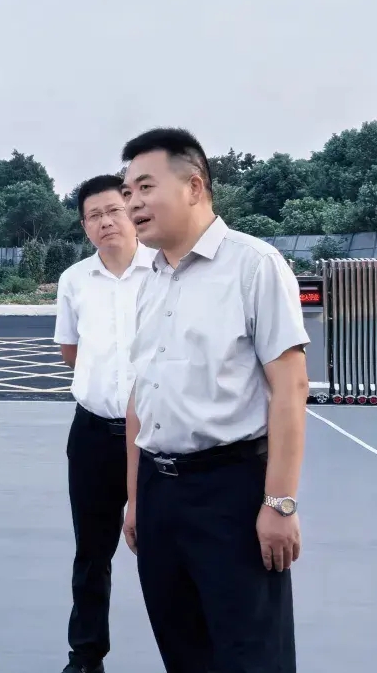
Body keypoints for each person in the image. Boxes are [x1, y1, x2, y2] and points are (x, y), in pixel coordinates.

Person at [120, 128, 308, 673]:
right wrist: (136, 498)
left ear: (195, 186)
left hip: (231, 492)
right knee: (184, 650)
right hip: (160, 493)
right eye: (127, 191)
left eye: (145, 187)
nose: (132, 204)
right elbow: (141, 396)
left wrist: (280, 502)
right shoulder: (151, 279)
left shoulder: (254, 265)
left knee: (251, 655)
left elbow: (291, 387)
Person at [53, 174, 156, 673]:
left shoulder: (163, 270)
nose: (105, 222)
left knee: (163, 551)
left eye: (113, 210)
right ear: (84, 226)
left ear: (131, 209)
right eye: (94, 215)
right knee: (92, 554)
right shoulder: (74, 280)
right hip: (93, 435)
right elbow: (71, 349)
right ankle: (86, 656)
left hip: (157, 439)